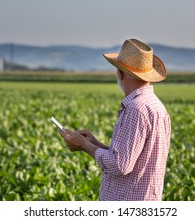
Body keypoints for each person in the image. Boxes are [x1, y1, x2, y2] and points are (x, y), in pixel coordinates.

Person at [59, 38, 171, 201]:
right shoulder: (155, 105)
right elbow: (131, 158)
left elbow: (120, 165)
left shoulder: (135, 108)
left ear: (120, 73)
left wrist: (84, 145)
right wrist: (95, 143)